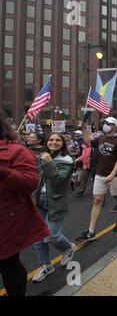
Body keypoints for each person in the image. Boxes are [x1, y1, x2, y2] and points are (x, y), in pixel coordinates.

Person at [0, 111, 50, 296]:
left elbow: (31, 183)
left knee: (8, 264)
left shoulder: (17, 151)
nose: (29, 138)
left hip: (7, 221)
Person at [32, 133, 77, 282]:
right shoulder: (43, 156)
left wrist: (48, 162)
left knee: (51, 236)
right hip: (39, 201)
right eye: (51, 140)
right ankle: (46, 265)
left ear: (63, 144)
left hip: (56, 202)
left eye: (58, 140)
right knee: (38, 238)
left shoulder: (67, 160)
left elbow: (58, 179)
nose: (54, 142)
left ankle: (68, 248)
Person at [78, 117, 117, 242]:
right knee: (97, 200)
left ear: (115, 126)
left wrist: (112, 174)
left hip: (116, 175)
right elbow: (89, 142)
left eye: (109, 123)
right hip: (100, 174)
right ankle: (91, 231)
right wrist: (84, 129)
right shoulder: (100, 139)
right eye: (104, 123)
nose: (105, 125)